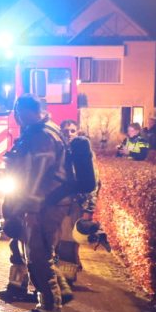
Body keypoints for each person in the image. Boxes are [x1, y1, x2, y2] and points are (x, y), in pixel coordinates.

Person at [6, 95, 72, 312]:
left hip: (46, 204)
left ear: (28, 111)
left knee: (39, 254)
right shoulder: (42, 130)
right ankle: (57, 293)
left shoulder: (42, 135)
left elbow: (37, 175)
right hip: (47, 202)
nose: (17, 117)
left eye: (19, 112)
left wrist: (30, 207)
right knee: (42, 253)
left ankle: (50, 307)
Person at [50, 118, 99, 298]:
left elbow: (93, 183)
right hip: (58, 204)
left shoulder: (83, 153)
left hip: (75, 205)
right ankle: (59, 279)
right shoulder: (59, 151)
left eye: (72, 130)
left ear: (77, 132)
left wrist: (89, 209)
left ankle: (67, 281)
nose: (68, 134)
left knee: (68, 243)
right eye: (65, 130)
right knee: (55, 242)